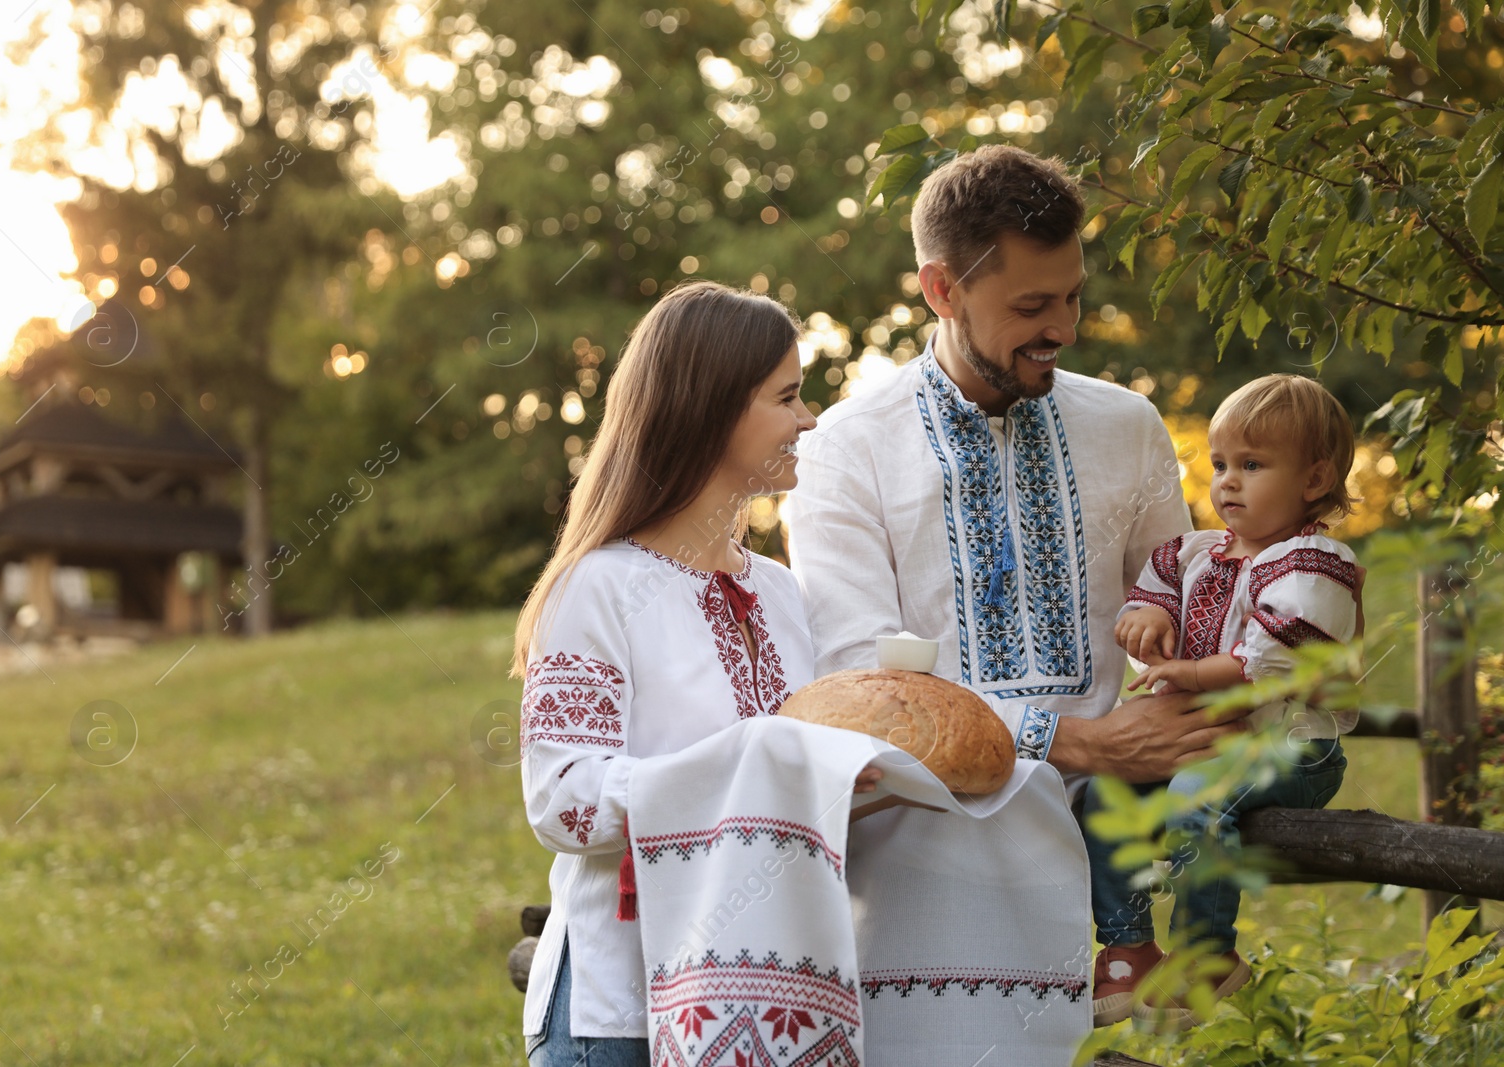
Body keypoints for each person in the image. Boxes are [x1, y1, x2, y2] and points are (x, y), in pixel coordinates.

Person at [783, 143, 1259, 1039]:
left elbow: (1187, 618)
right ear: (941, 290)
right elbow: (859, 688)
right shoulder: (846, 448)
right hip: (923, 855)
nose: (1064, 326)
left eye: (1073, 295)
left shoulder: (1128, 425)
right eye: (1032, 305)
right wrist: (1080, 742)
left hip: (1120, 846)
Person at [511, 280, 881, 1066]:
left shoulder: (782, 593)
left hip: (754, 998)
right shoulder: (597, 586)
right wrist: (743, 771)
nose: (808, 419)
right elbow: (561, 798)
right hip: (618, 1012)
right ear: (713, 409)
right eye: (787, 397)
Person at [1086, 374, 1361, 1031]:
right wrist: (1144, 622)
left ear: (1315, 478)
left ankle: (1208, 952)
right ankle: (1129, 944)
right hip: (1209, 741)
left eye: (1253, 465)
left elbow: (1263, 664)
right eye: (1220, 464)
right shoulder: (1199, 553)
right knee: (1102, 793)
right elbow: (1152, 592)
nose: (1228, 482)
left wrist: (1185, 671)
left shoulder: (1315, 566)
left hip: (1291, 746)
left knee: (1196, 799)